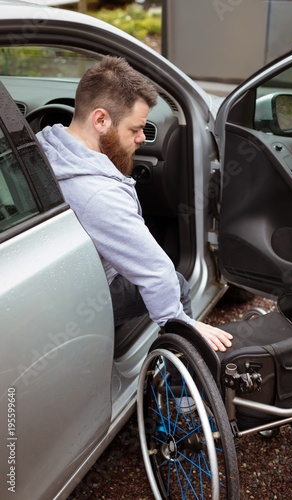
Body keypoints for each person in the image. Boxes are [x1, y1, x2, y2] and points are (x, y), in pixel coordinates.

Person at [37, 56, 232, 352]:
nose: (142, 137)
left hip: (51, 286)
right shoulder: (99, 195)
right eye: (135, 129)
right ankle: (180, 389)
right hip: (78, 301)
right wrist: (182, 323)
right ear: (100, 119)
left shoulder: (45, 143)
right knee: (175, 284)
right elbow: (155, 271)